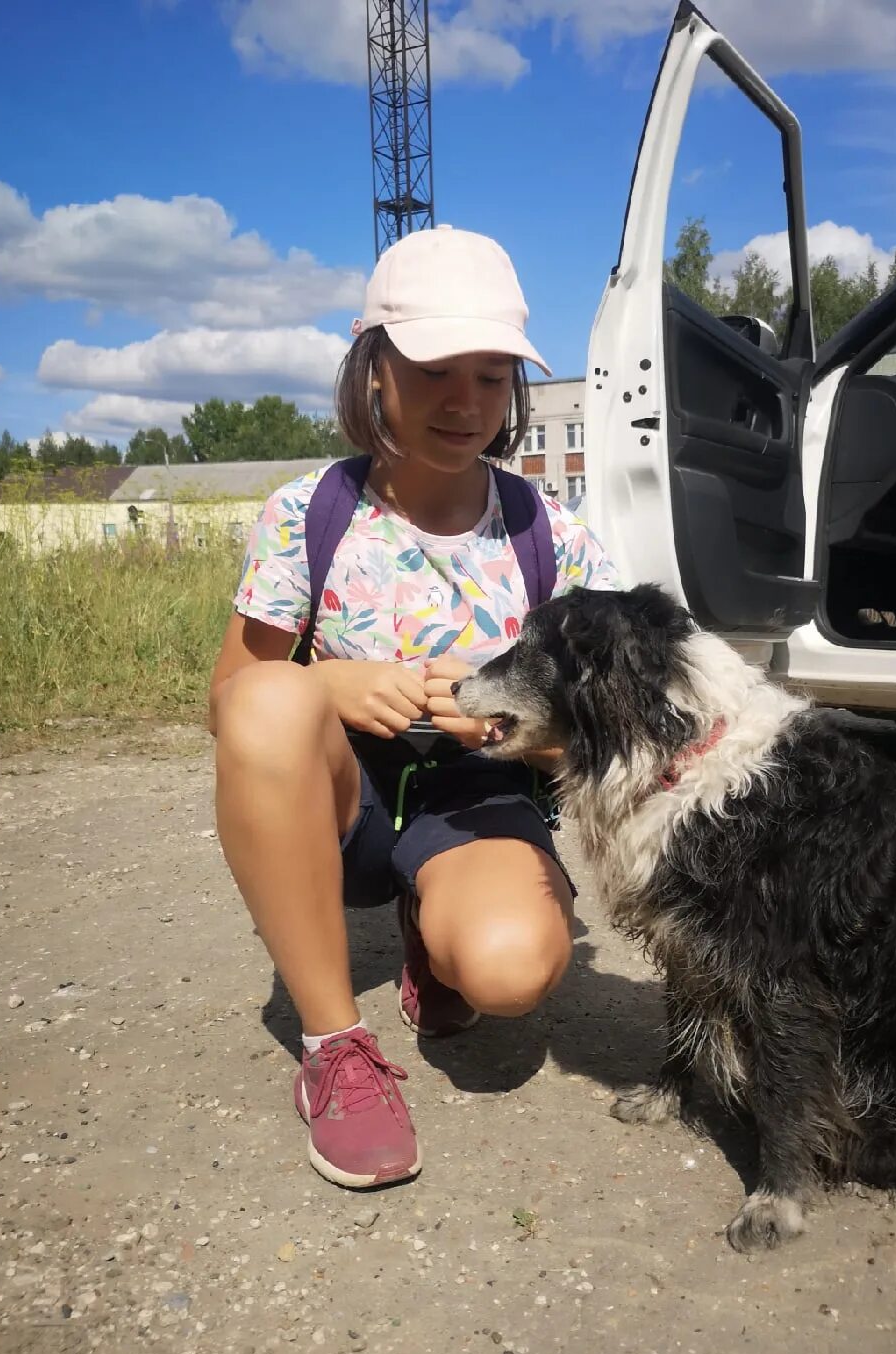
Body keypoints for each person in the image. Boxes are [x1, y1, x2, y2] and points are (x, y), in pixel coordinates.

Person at [208, 225, 618, 1191]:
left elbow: (608, 735)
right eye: (435, 368)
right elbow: (229, 705)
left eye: (491, 374)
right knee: (269, 697)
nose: (464, 402)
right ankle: (333, 1043)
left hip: (477, 799)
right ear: (374, 370)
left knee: (512, 972)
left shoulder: (550, 535)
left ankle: (436, 934)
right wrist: (325, 682)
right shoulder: (307, 514)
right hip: (345, 801)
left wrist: (517, 728)